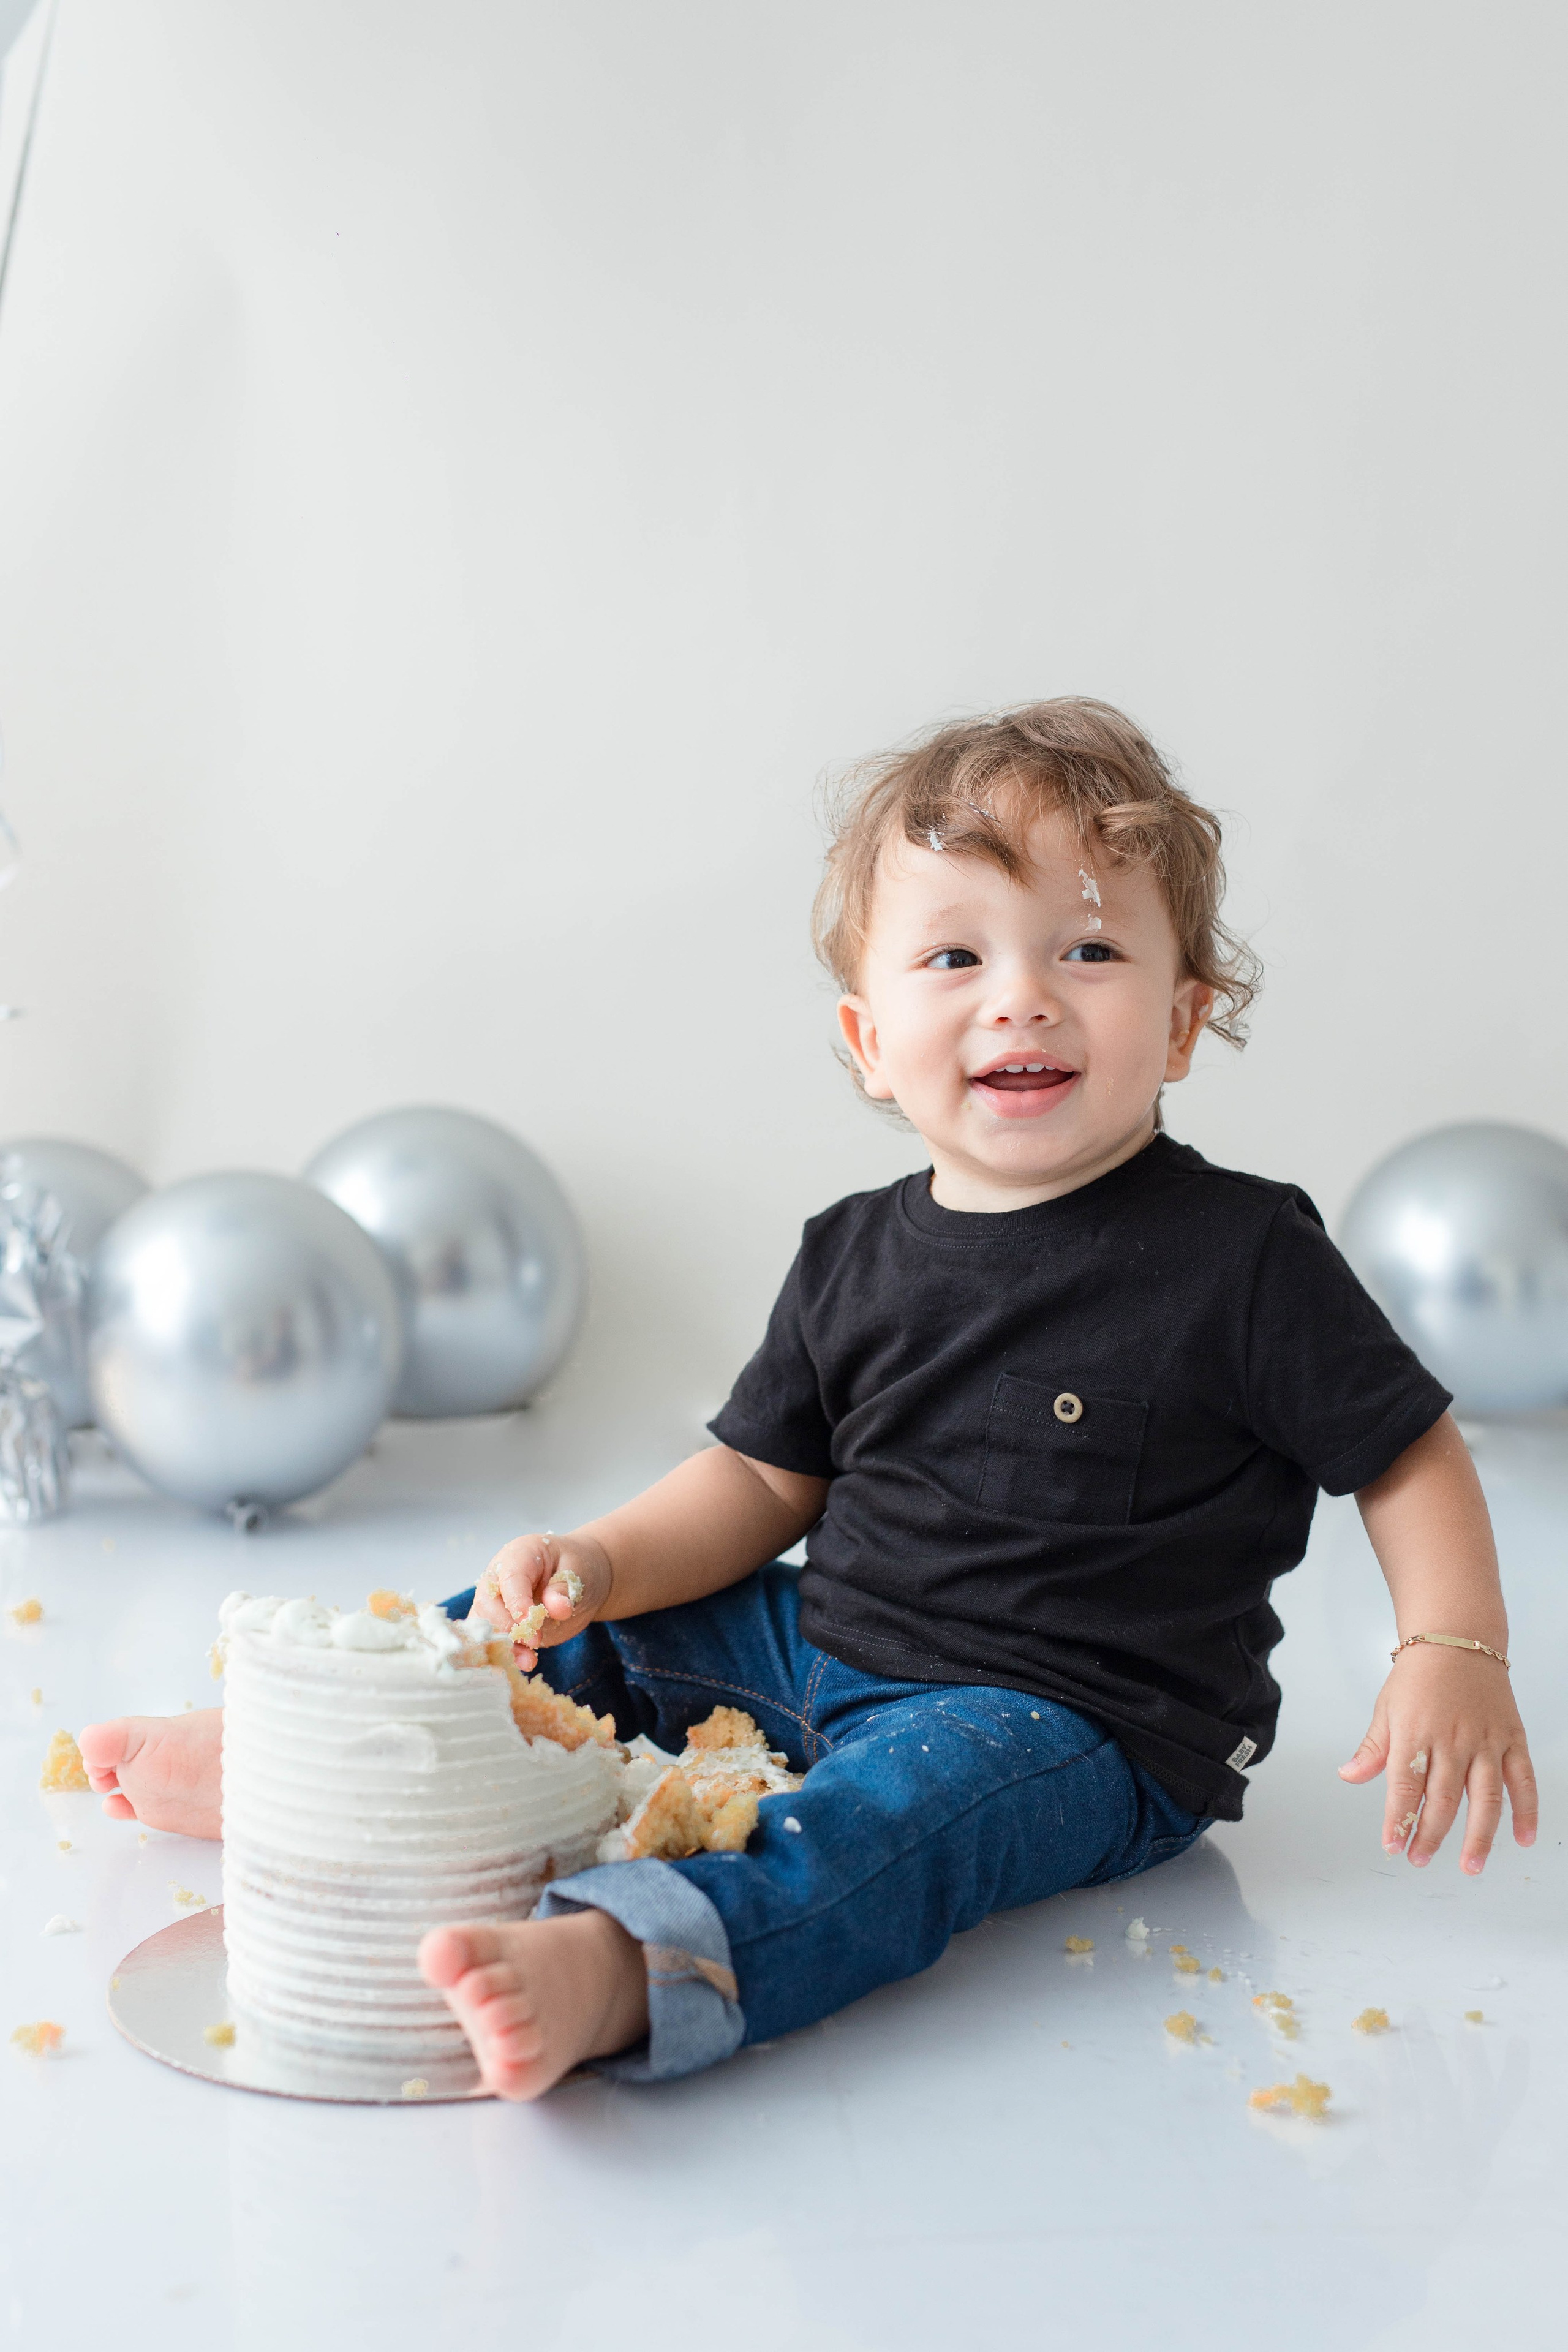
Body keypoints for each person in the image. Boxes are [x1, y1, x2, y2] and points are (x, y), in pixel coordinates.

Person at [80, 698, 1537, 2101]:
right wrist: (599, 1562)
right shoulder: (852, 1251)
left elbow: (1403, 1453)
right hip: (819, 1644)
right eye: (954, 956)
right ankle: (310, 1760)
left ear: (1176, 1022)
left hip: (1072, 1724)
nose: (1020, 992)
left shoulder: (1242, 1257)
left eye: (1087, 947)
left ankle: (630, 1964)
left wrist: (1451, 1645)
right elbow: (758, 1486)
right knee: (576, 1626)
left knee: (883, 1828)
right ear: (864, 1040)